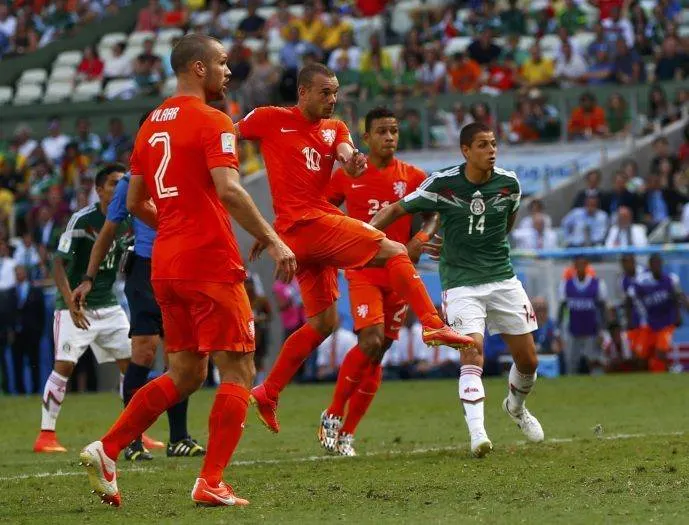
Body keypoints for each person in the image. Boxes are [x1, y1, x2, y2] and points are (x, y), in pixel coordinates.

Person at [78, 34, 296, 508]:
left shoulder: (150, 123)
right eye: (221, 62)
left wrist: (174, 225)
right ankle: (211, 481)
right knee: (238, 369)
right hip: (208, 261)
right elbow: (231, 189)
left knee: (185, 373)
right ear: (198, 68)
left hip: (166, 264)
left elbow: (135, 202)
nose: (228, 71)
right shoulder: (214, 119)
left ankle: (108, 447)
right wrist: (276, 239)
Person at [237, 63, 472, 434]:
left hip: (303, 235)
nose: (332, 100)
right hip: (307, 226)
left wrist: (353, 161)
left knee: (324, 323)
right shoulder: (269, 119)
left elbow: (346, 152)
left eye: (335, 93)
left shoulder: (336, 129)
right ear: (303, 92)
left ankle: (269, 391)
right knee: (395, 250)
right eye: (324, 93)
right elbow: (226, 137)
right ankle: (431, 324)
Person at [368, 122, 544, 457]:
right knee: (471, 351)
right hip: (461, 283)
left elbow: (506, 224)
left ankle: (516, 408)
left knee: (528, 360)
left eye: (493, 144)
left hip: (502, 278)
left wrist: (469, 240)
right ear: (465, 151)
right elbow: (395, 209)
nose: (490, 150)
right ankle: (478, 435)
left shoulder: (509, 184)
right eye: (482, 145)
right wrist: (358, 234)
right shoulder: (442, 183)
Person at [72, 127, 206, 461]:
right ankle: (132, 439)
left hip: (183, 267)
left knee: (181, 356)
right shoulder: (130, 181)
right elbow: (107, 233)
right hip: (145, 269)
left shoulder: (189, 169)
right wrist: (89, 277)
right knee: (144, 353)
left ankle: (179, 438)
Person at [316, 107, 437, 456]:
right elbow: (321, 207)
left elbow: (434, 215)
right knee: (369, 342)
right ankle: (333, 413)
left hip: (398, 273)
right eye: (382, 131)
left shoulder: (414, 177)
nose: (390, 138)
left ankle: (347, 434)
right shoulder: (348, 174)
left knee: (379, 352)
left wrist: (422, 238)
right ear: (365, 138)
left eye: (394, 131)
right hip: (363, 270)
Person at [34, 164, 132, 454]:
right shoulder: (82, 220)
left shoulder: (128, 218)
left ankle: (134, 432)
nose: (120, 187)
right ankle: (46, 435)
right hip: (75, 304)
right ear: (99, 189)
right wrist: (69, 303)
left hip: (109, 304)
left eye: (123, 182)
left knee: (133, 364)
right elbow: (58, 264)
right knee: (64, 366)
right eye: (114, 183)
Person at [626, 254, 688, 372]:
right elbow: (629, 298)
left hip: (667, 322)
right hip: (651, 322)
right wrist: (630, 319)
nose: (656, 267)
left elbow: (678, 296)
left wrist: (679, 314)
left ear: (662, 265)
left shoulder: (670, 279)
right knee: (640, 356)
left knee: (661, 352)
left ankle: (669, 371)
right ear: (649, 266)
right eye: (654, 264)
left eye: (658, 264)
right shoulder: (642, 282)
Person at [557, 256, 609, 375]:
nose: (580, 267)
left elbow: (603, 308)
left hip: (592, 331)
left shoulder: (597, 284)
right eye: (578, 264)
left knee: (595, 362)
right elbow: (561, 308)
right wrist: (558, 330)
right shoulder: (566, 284)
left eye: (583, 264)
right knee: (571, 363)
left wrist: (604, 330)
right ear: (574, 266)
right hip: (573, 331)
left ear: (586, 265)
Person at [9, 264, 45, 394]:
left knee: (34, 362)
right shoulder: (11, 292)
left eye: (20, 272)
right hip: (17, 334)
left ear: (25, 273)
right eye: (16, 273)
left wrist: (38, 331)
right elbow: (9, 313)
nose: (19, 275)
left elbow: (41, 314)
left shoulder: (35, 291)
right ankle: (20, 390)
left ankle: (36, 389)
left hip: (32, 333)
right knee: (17, 363)